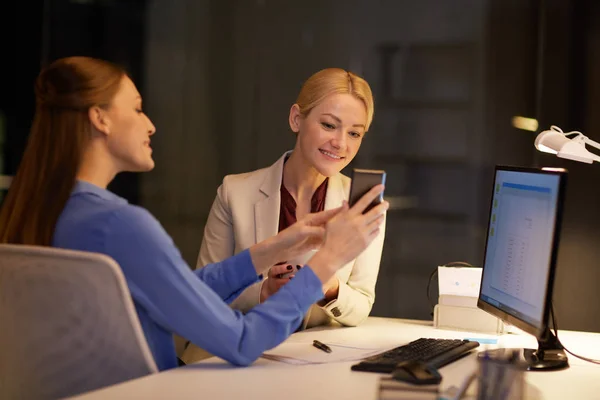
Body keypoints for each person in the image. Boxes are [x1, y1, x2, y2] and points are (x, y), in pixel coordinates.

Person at [0, 56, 388, 372]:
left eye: (355, 133)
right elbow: (240, 341)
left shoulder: (46, 209)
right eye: (137, 109)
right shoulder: (122, 227)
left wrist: (271, 248)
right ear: (100, 119)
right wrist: (327, 262)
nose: (150, 124)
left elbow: (182, 292)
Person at [191, 68, 384, 343]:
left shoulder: (362, 204)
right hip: (236, 358)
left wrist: (329, 286)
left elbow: (362, 304)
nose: (341, 143)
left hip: (312, 362)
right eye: (329, 125)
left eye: (355, 133)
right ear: (296, 119)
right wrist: (263, 292)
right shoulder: (235, 193)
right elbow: (203, 293)